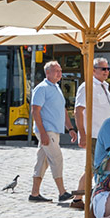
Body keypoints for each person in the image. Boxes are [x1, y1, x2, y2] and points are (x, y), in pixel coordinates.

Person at [28, 60, 72, 204]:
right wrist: (43, 132)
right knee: (57, 158)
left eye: (60, 70)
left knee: (42, 161)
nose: (59, 73)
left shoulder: (57, 88)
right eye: (56, 71)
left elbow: (63, 110)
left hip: (54, 130)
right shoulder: (42, 88)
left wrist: (70, 128)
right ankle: (62, 192)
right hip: (47, 130)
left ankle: (34, 194)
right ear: (47, 73)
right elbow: (35, 110)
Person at [75, 58, 110, 156]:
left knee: (100, 166)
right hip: (93, 135)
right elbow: (78, 111)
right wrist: (82, 134)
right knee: (95, 166)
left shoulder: (105, 86)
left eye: (108, 69)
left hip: (106, 135)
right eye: (103, 69)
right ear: (93, 70)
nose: (106, 71)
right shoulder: (87, 86)